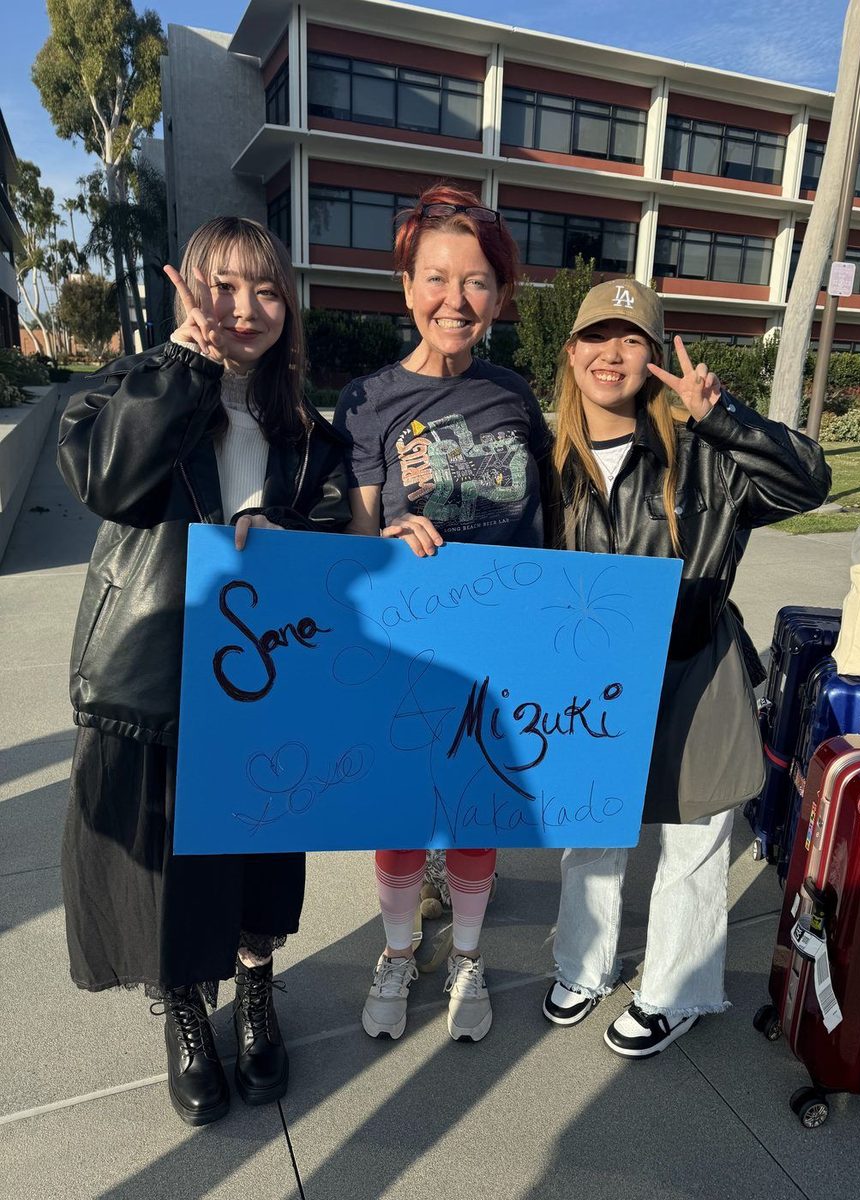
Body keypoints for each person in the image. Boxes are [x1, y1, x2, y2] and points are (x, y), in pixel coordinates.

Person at [58, 217, 350, 1125]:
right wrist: (182, 366)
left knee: (264, 853)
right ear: (186, 288)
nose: (246, 309)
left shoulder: (304, 424)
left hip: (264, 679)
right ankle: (185, 1010)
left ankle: (256, 991)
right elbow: (112, 481)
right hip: (154, 669)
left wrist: (288, 536)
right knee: (171, 872)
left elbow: (338, 528)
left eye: (267, 289)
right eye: (222, 287)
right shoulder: (128, 385)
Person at [541, 277, 830, 1056]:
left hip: (697, 665)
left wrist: (723, 416)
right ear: (570, 354)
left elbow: (810, 481)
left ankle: (676, 989)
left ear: (651, 356)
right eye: (597, 337)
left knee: (694, 838)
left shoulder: (707, 455)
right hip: (589, 679)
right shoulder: (548, 463)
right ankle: (582, 962)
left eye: (632, 340)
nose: (613, 354)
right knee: (593, 831)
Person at [332, 184, 555, 1043]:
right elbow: (357, 533)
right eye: (435, 277)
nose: (453, 300)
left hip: (498, 640)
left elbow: (547, 525)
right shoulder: (368, 401)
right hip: (407, 644)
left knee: (476, 809)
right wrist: (387, 533)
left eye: (475, 282)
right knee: (395, 810)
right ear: (406, 285)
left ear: (498, 297)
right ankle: (396, 952)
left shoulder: (516, 399)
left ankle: (465, 955)